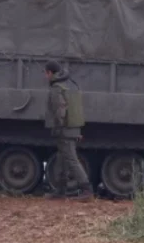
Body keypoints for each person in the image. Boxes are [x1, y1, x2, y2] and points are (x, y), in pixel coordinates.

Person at [44, 60, 94, 201]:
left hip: (64, 129)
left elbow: (60, 110)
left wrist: (58, 127)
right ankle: (61, 190)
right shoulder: (69, 84)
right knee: (62, 159)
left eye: (45, 73)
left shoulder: (56, 88)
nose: (45, 76)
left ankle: (86, 190)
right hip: (73, 127)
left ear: (49, 73)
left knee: (71, 159)